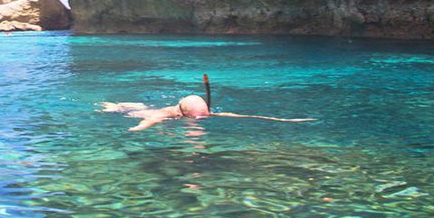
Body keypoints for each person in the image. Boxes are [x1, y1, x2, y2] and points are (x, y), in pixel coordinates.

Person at [101, 94, 315, 132]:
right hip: (143, 113)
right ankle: (114, 105)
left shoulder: (203, 113)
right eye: (197, 119)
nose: (201, 121)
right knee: (124, 109)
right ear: (183, 113)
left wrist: (280, 119)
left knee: (138, 105)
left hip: (155, 111)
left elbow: (236, 115)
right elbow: (152, 119)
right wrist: (136, 128)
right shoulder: (169, 115)